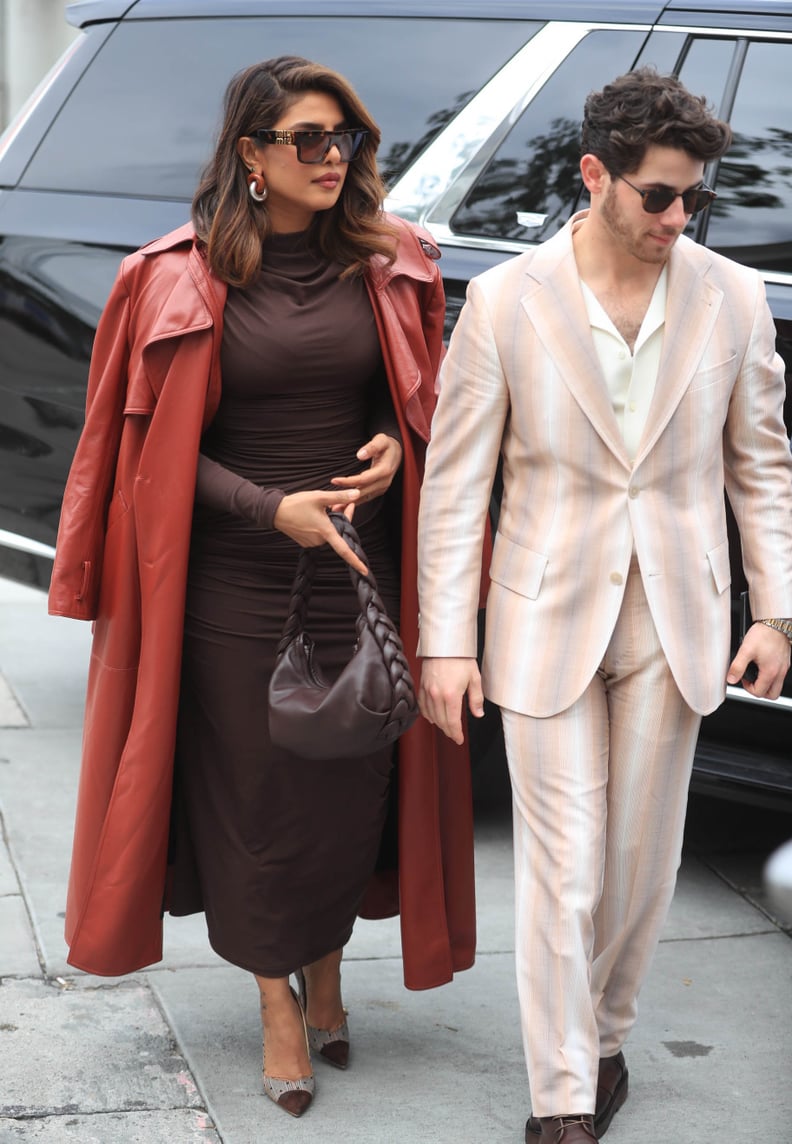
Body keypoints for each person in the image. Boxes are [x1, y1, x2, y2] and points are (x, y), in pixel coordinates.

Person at [48, 55, 476, 1119]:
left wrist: (390, 448)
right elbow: (149, 452)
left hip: (361, 579)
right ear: (251, 155)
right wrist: (267, 507)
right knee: (253, 805)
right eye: (310, 141)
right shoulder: (170, 276)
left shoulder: (396, 262)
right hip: (231, 590)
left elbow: (417, 401)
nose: (335, 158)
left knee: (348, 796)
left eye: (349, 140)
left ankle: (326, 966)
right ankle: (278, 1002)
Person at [416, 67, 792, 1143]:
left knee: (638, 863)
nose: (679, 218)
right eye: (658, 197)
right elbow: (456, 484)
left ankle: (609, 1032)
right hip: (542, 609)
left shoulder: (728, 295)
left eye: (693, 201)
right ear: (596, 176)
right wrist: (447, 643)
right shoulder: (506, 300)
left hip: (680, 615)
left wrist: (777, 613)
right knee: (563, 863)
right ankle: (562, 1097)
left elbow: (761, 464)